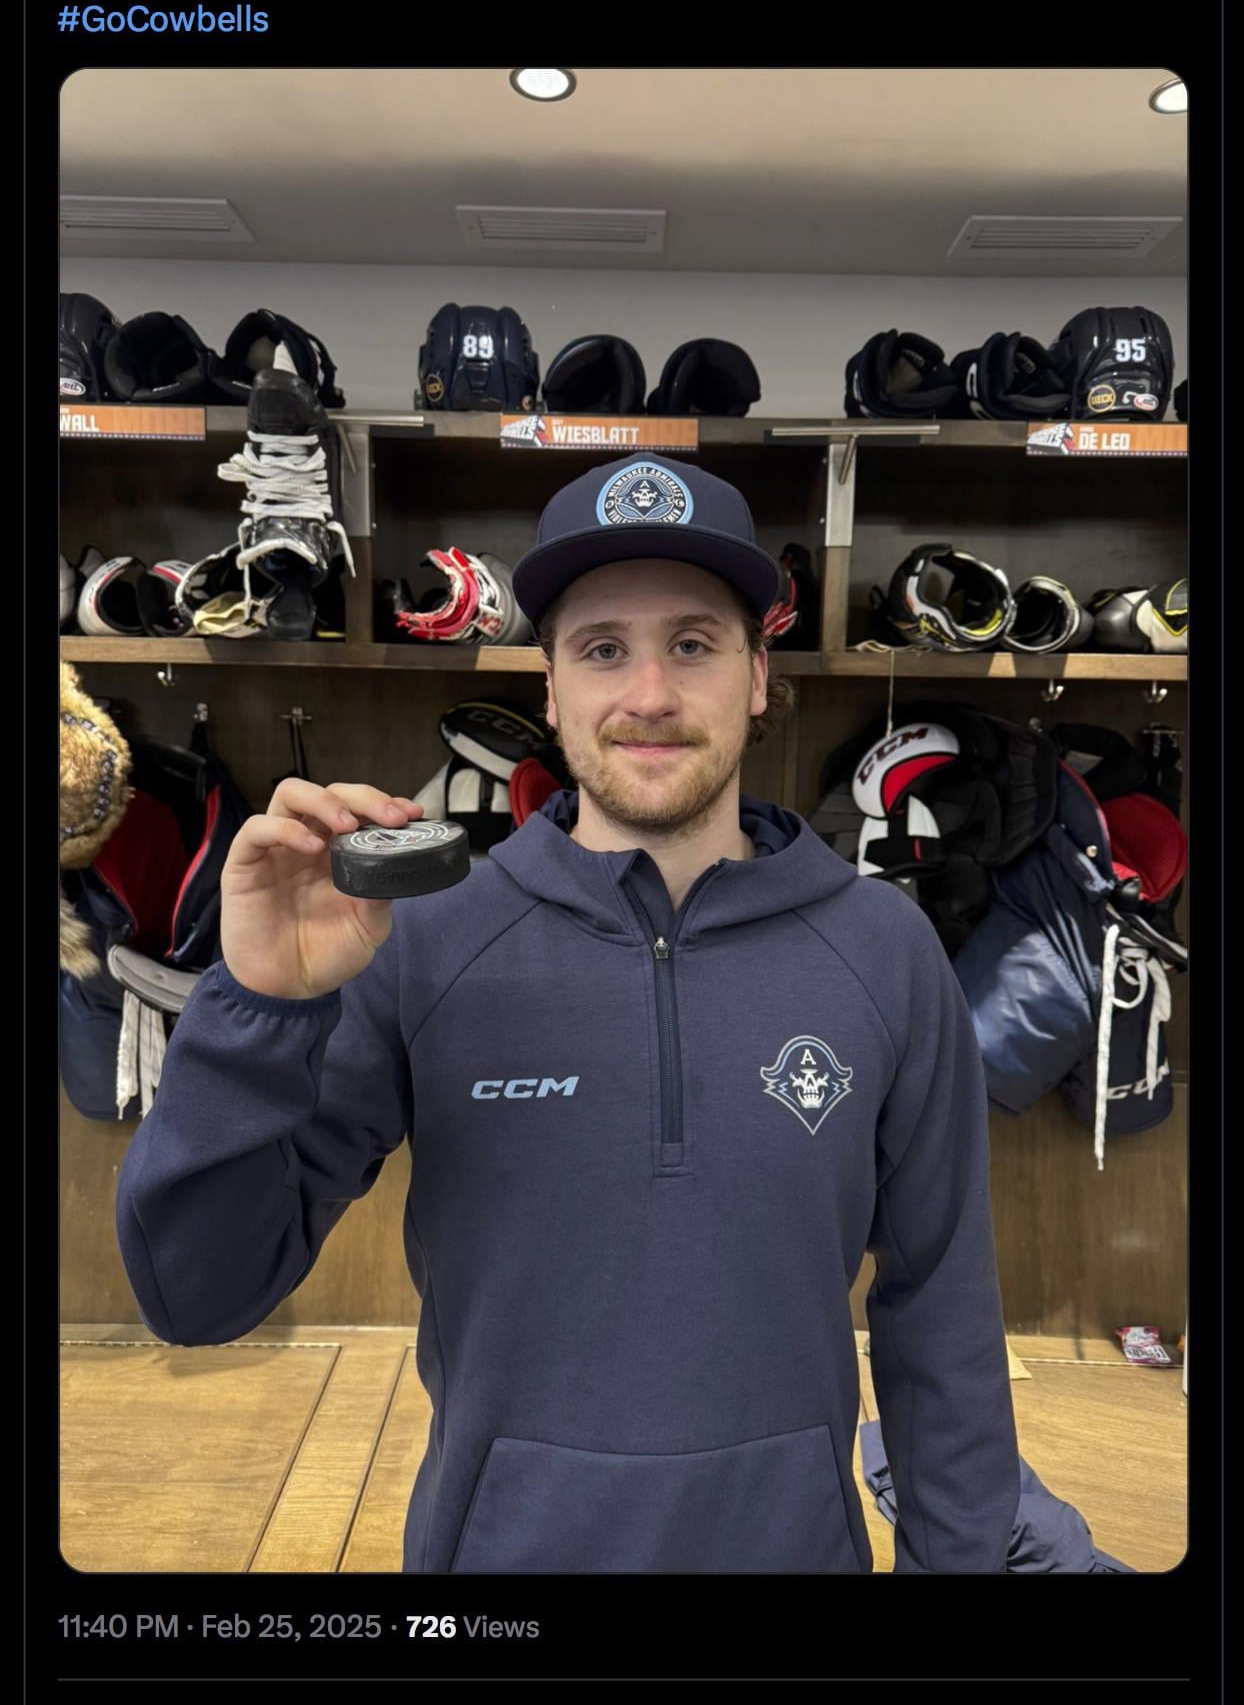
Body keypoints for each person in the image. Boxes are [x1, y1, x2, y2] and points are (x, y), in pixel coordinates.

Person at [115, 451, 1021, 1574]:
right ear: (549, 688)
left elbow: (942, 1315)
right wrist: (257, 1006)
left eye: (693, 643)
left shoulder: (885, 952)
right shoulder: (419, 939)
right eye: (601, 649)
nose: (649, 695)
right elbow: (194, 1294)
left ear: (756, 674)